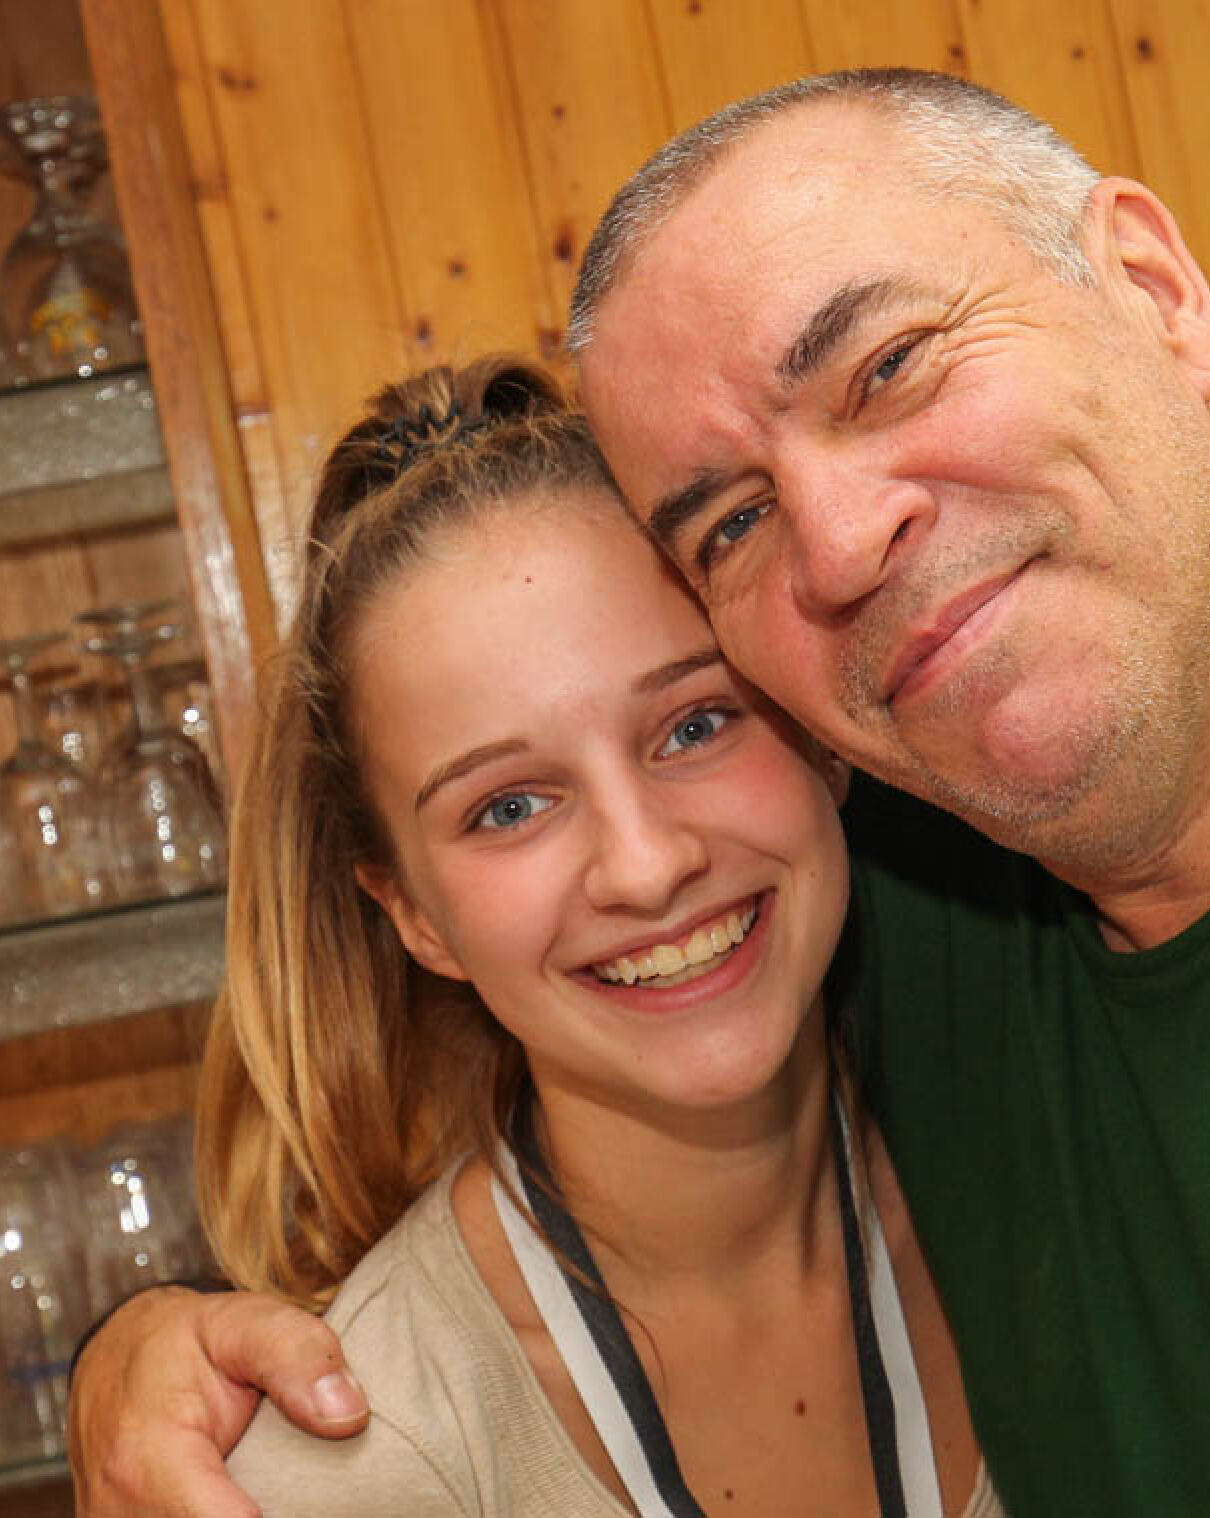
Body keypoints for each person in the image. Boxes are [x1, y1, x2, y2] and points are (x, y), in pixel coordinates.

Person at [70, 67, 1210, 1515]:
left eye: (887, 367)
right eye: (736, 520)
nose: (838, 541)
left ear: (1153, 286)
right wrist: (128, 1355)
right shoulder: (917, 829)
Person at [126, 352, 998, 1518]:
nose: (647, 864)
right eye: (509, 808)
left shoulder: (1029, 1165)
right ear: (415, 916)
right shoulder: (372, 1457)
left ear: (815, 728)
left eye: (695, 725)